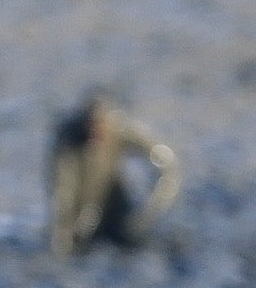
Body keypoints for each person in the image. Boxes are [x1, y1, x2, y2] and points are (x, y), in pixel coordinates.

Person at [47, 92, 180, 258]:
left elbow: (167, 165)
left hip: (117, 206)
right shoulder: (68, 139)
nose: (96, 131)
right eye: (92, 126)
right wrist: (64, 233)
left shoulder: (120, 129)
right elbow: (63, 190)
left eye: (101, 124)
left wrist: (151, 210)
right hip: (83, 213)